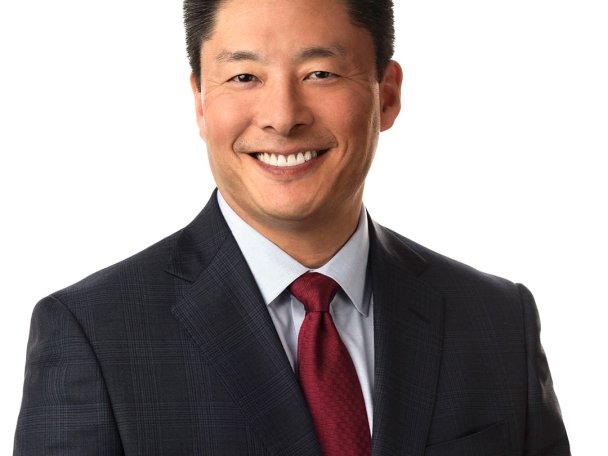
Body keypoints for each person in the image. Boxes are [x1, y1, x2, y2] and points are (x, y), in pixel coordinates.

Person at [14, 0, 570, 454]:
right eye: (244, 76)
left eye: (320, 73)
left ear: (387, 94)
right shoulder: (92, 333)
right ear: (200, 103)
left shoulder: (497, 320)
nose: (283, 117)